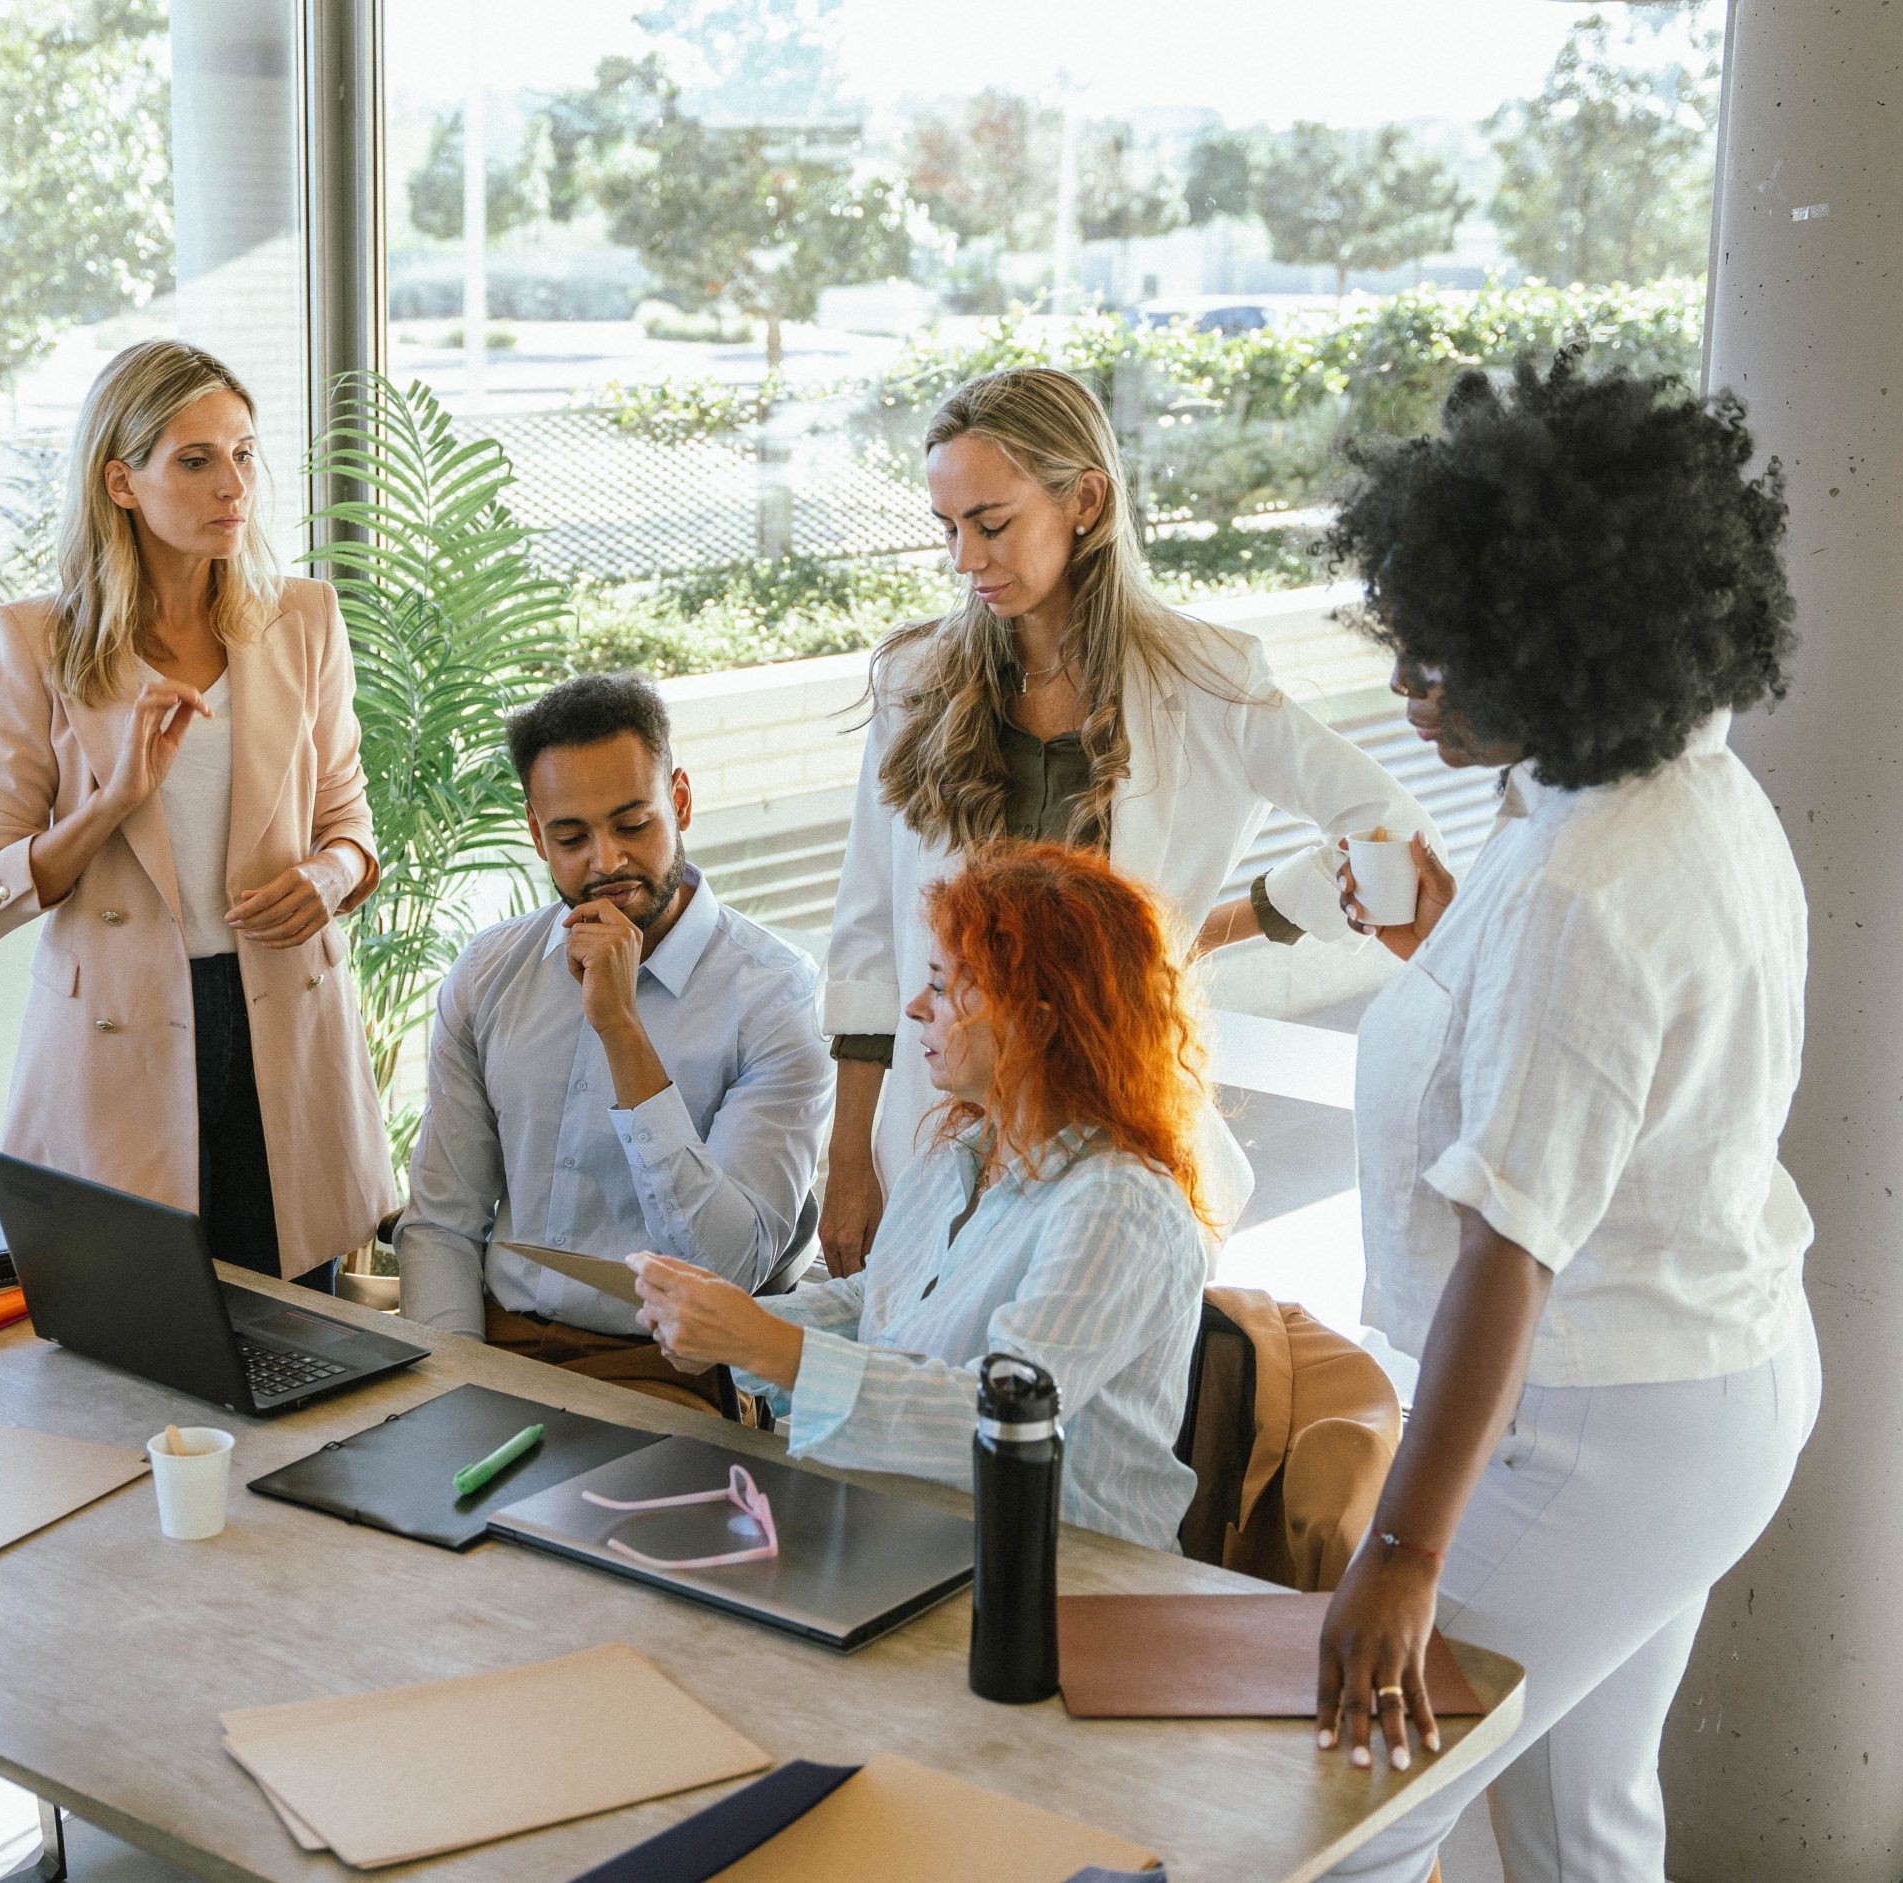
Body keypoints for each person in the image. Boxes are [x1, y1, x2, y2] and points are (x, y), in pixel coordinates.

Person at [1311, 354, 1820, 1882]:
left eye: (1445, 661)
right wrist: (1441, 964)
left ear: (1564, 645)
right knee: (1573, 1826)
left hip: (1593, 1420)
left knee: (1347, 1817)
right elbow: (1605, 1064)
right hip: (1716, 1392)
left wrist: (1400, 1554)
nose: (1414, 694)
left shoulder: (1576, 893)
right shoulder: (1691, 791)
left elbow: (1507, 1254)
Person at [823, 365, 1437, 1275]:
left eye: (992, 524)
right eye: (948, 529)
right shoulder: (915, 685)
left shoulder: (1206, 678)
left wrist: (1227, 923)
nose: (965, 559)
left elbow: (1385, 817)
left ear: (1086, 500)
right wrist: (845, 1162)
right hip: (936, 1128)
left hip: (1116, 1126)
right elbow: (869, 933)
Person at [0, 339, 392, 1285]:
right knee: (135, 1358)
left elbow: (350, 828)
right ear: (121, 481)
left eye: (242, 454)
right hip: (121, 1049)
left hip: (283, 1027)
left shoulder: (303, 619)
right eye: (195, 460)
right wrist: (112, 800)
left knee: (299, 1341)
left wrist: (327, 878)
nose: (233, 485)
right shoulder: (34, 643)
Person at [631, 841, 1214, 1552]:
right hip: (919, 1538)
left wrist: (766, 1345)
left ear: (1035, 1021)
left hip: (1069, 1578)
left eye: (942, 984)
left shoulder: (1119, 1209)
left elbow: (995, 1420)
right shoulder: (959, 1155)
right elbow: (879, 1304)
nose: (913, 1006)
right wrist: (731, 1330)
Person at [395, 673, 833, 1413]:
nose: (606, 861)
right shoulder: (490, 973)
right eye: (571, 837)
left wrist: (621, 1029)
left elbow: (730, 1267)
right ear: (537, 833)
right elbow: (443, 1221)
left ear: (681, 801)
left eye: (634, 824)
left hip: (668, 1371)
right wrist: (450, 1386)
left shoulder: (774, 995)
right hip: (492, 1343)